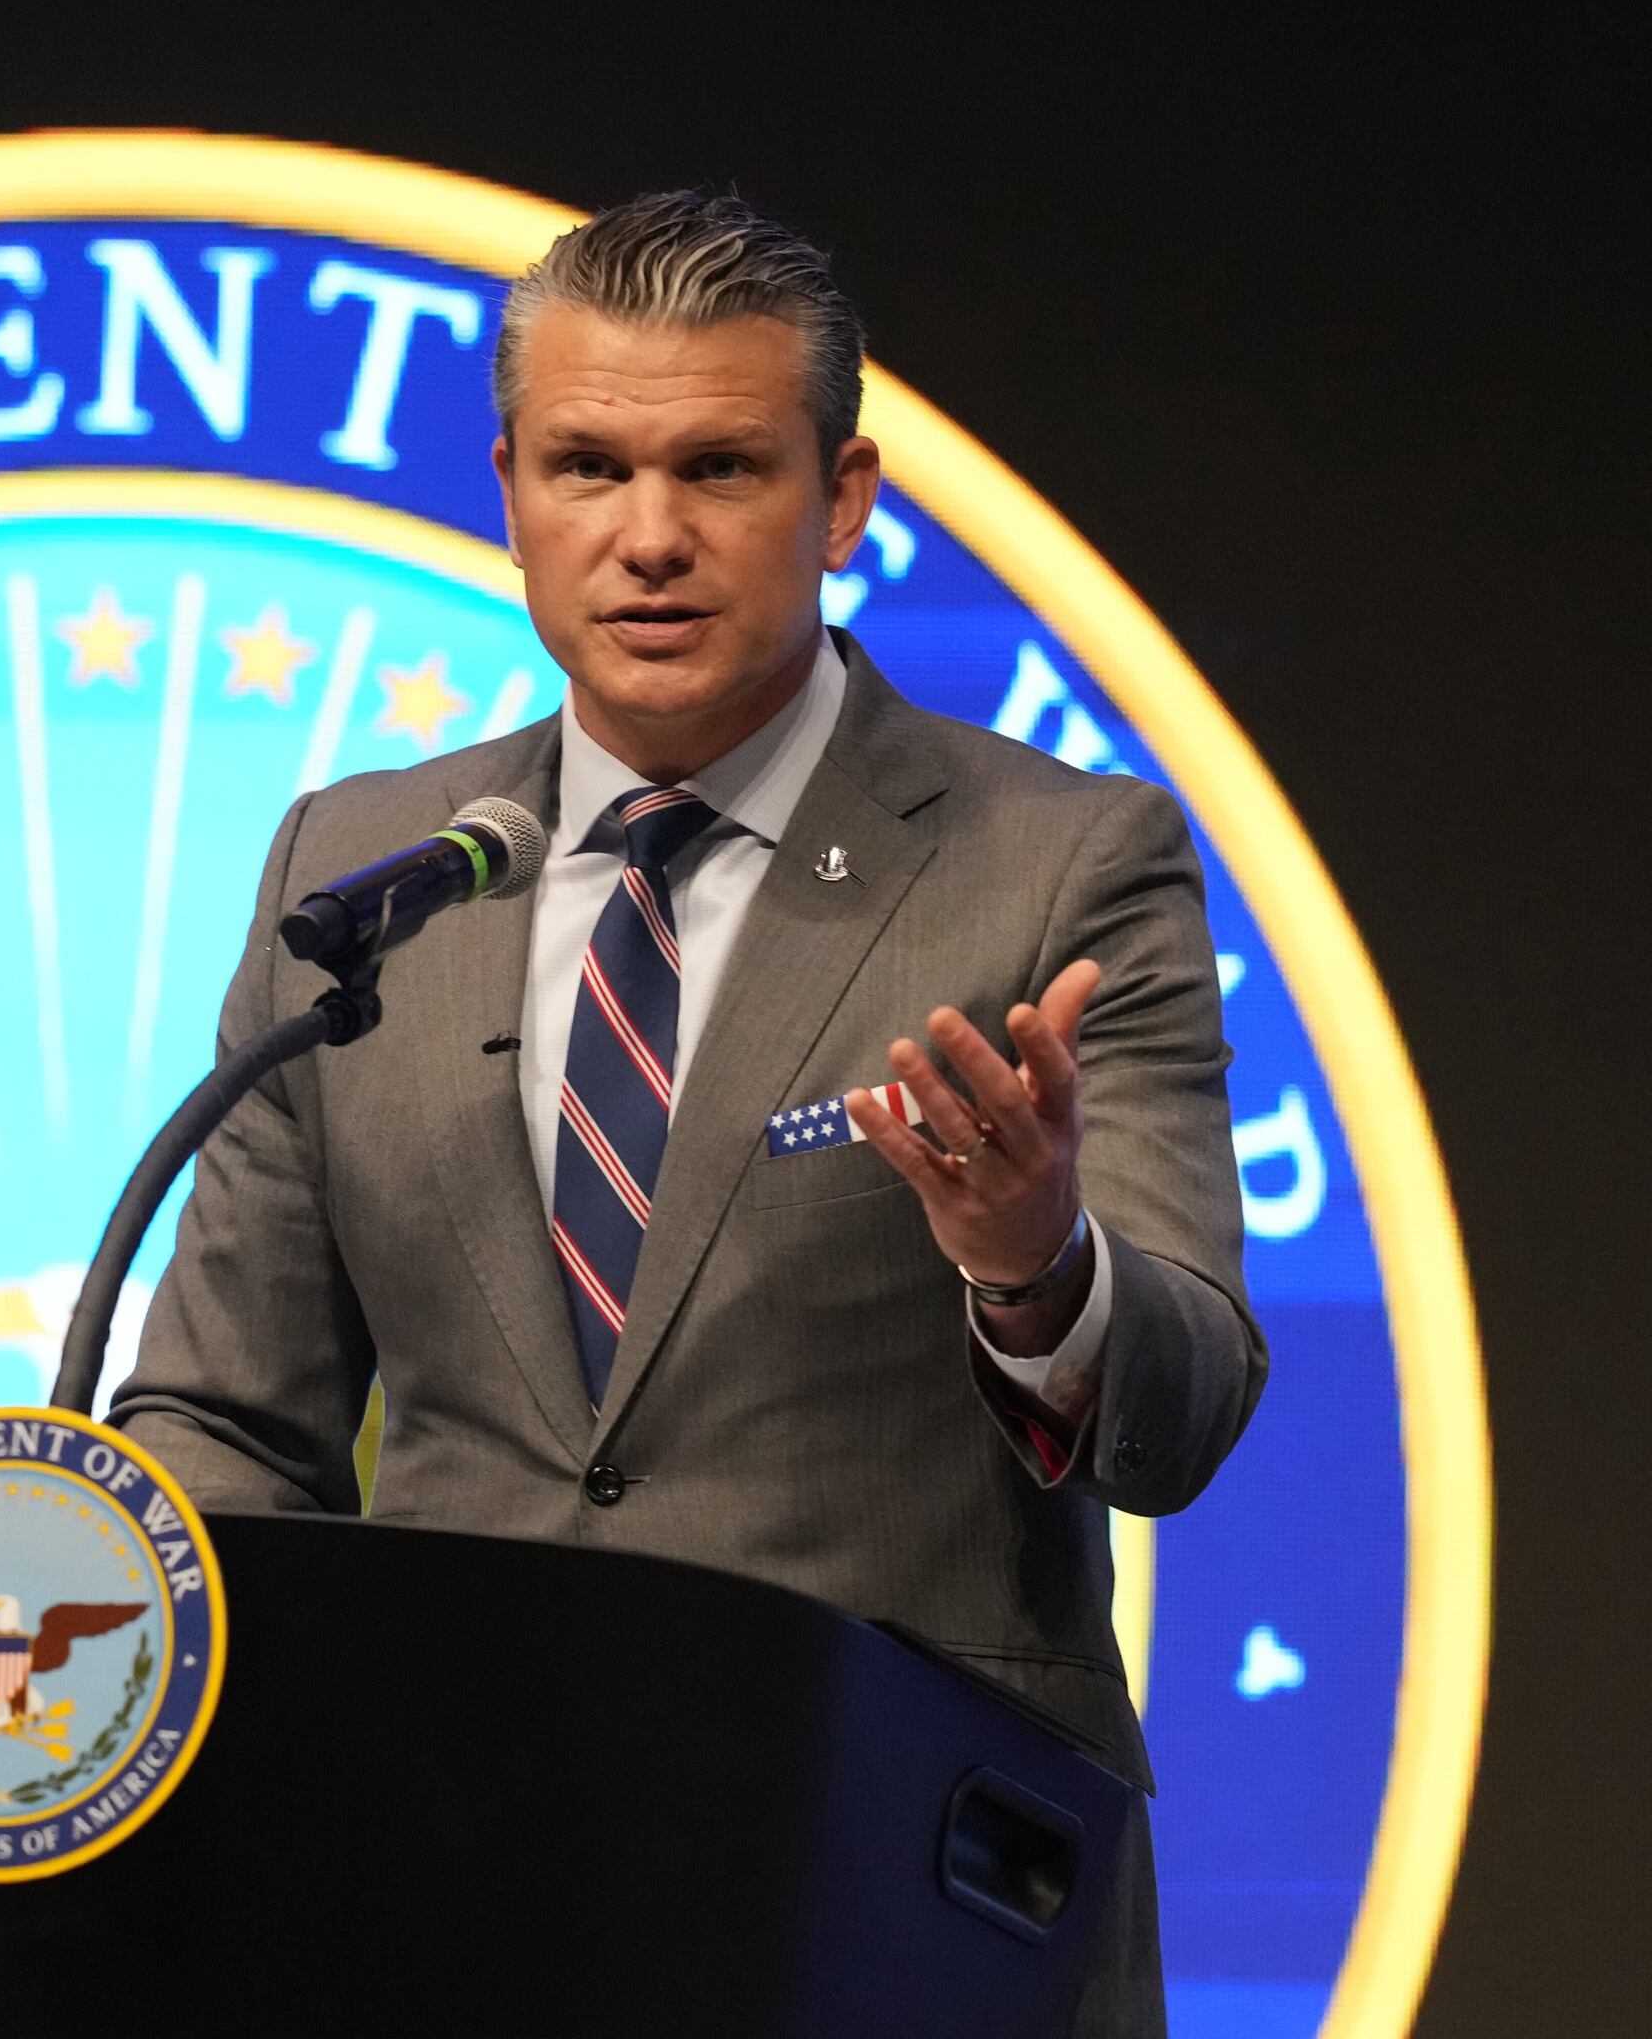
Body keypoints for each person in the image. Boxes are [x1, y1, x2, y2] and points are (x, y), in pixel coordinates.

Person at [108, 191, 1265, 2035]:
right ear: (508, 488)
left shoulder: (1058, 867)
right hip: (437, 1897)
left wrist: (1036, 1268)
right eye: (588, 465)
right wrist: (77, 1643)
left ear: (847, 495)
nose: (650, 538)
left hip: (896, 1907)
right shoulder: (363, 870)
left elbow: (1185, 1409)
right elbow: (226, 1416)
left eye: (722, 468)